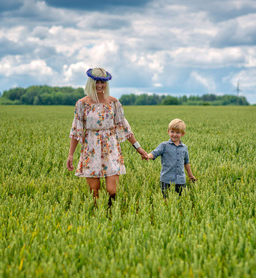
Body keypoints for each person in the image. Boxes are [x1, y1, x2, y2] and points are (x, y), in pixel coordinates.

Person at [67, 67, 148, 206]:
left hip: (111, 148)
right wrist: (70, 155)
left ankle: (111, 212)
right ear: (91, 83)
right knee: (94, 191)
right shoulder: (82, 104)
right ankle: (99, 217)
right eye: (97, 82)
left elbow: (124, 127)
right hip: (90, 149)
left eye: (103, 82)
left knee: (112, 191)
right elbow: (76, 131)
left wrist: (139, 149)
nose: (100, 85)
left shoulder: (114, 103)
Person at [146, 119, 196, 199]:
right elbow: (154, 153)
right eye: (172, 131)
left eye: (177, 132)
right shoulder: (164, 145)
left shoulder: (184, 148)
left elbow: (186, 162)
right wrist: (147, 156)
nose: (174, 134)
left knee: (181, 200)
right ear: (168, 131)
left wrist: (190, 175)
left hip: (180, 180)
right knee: (166, 200)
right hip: (166, 180)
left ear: (182, 134)